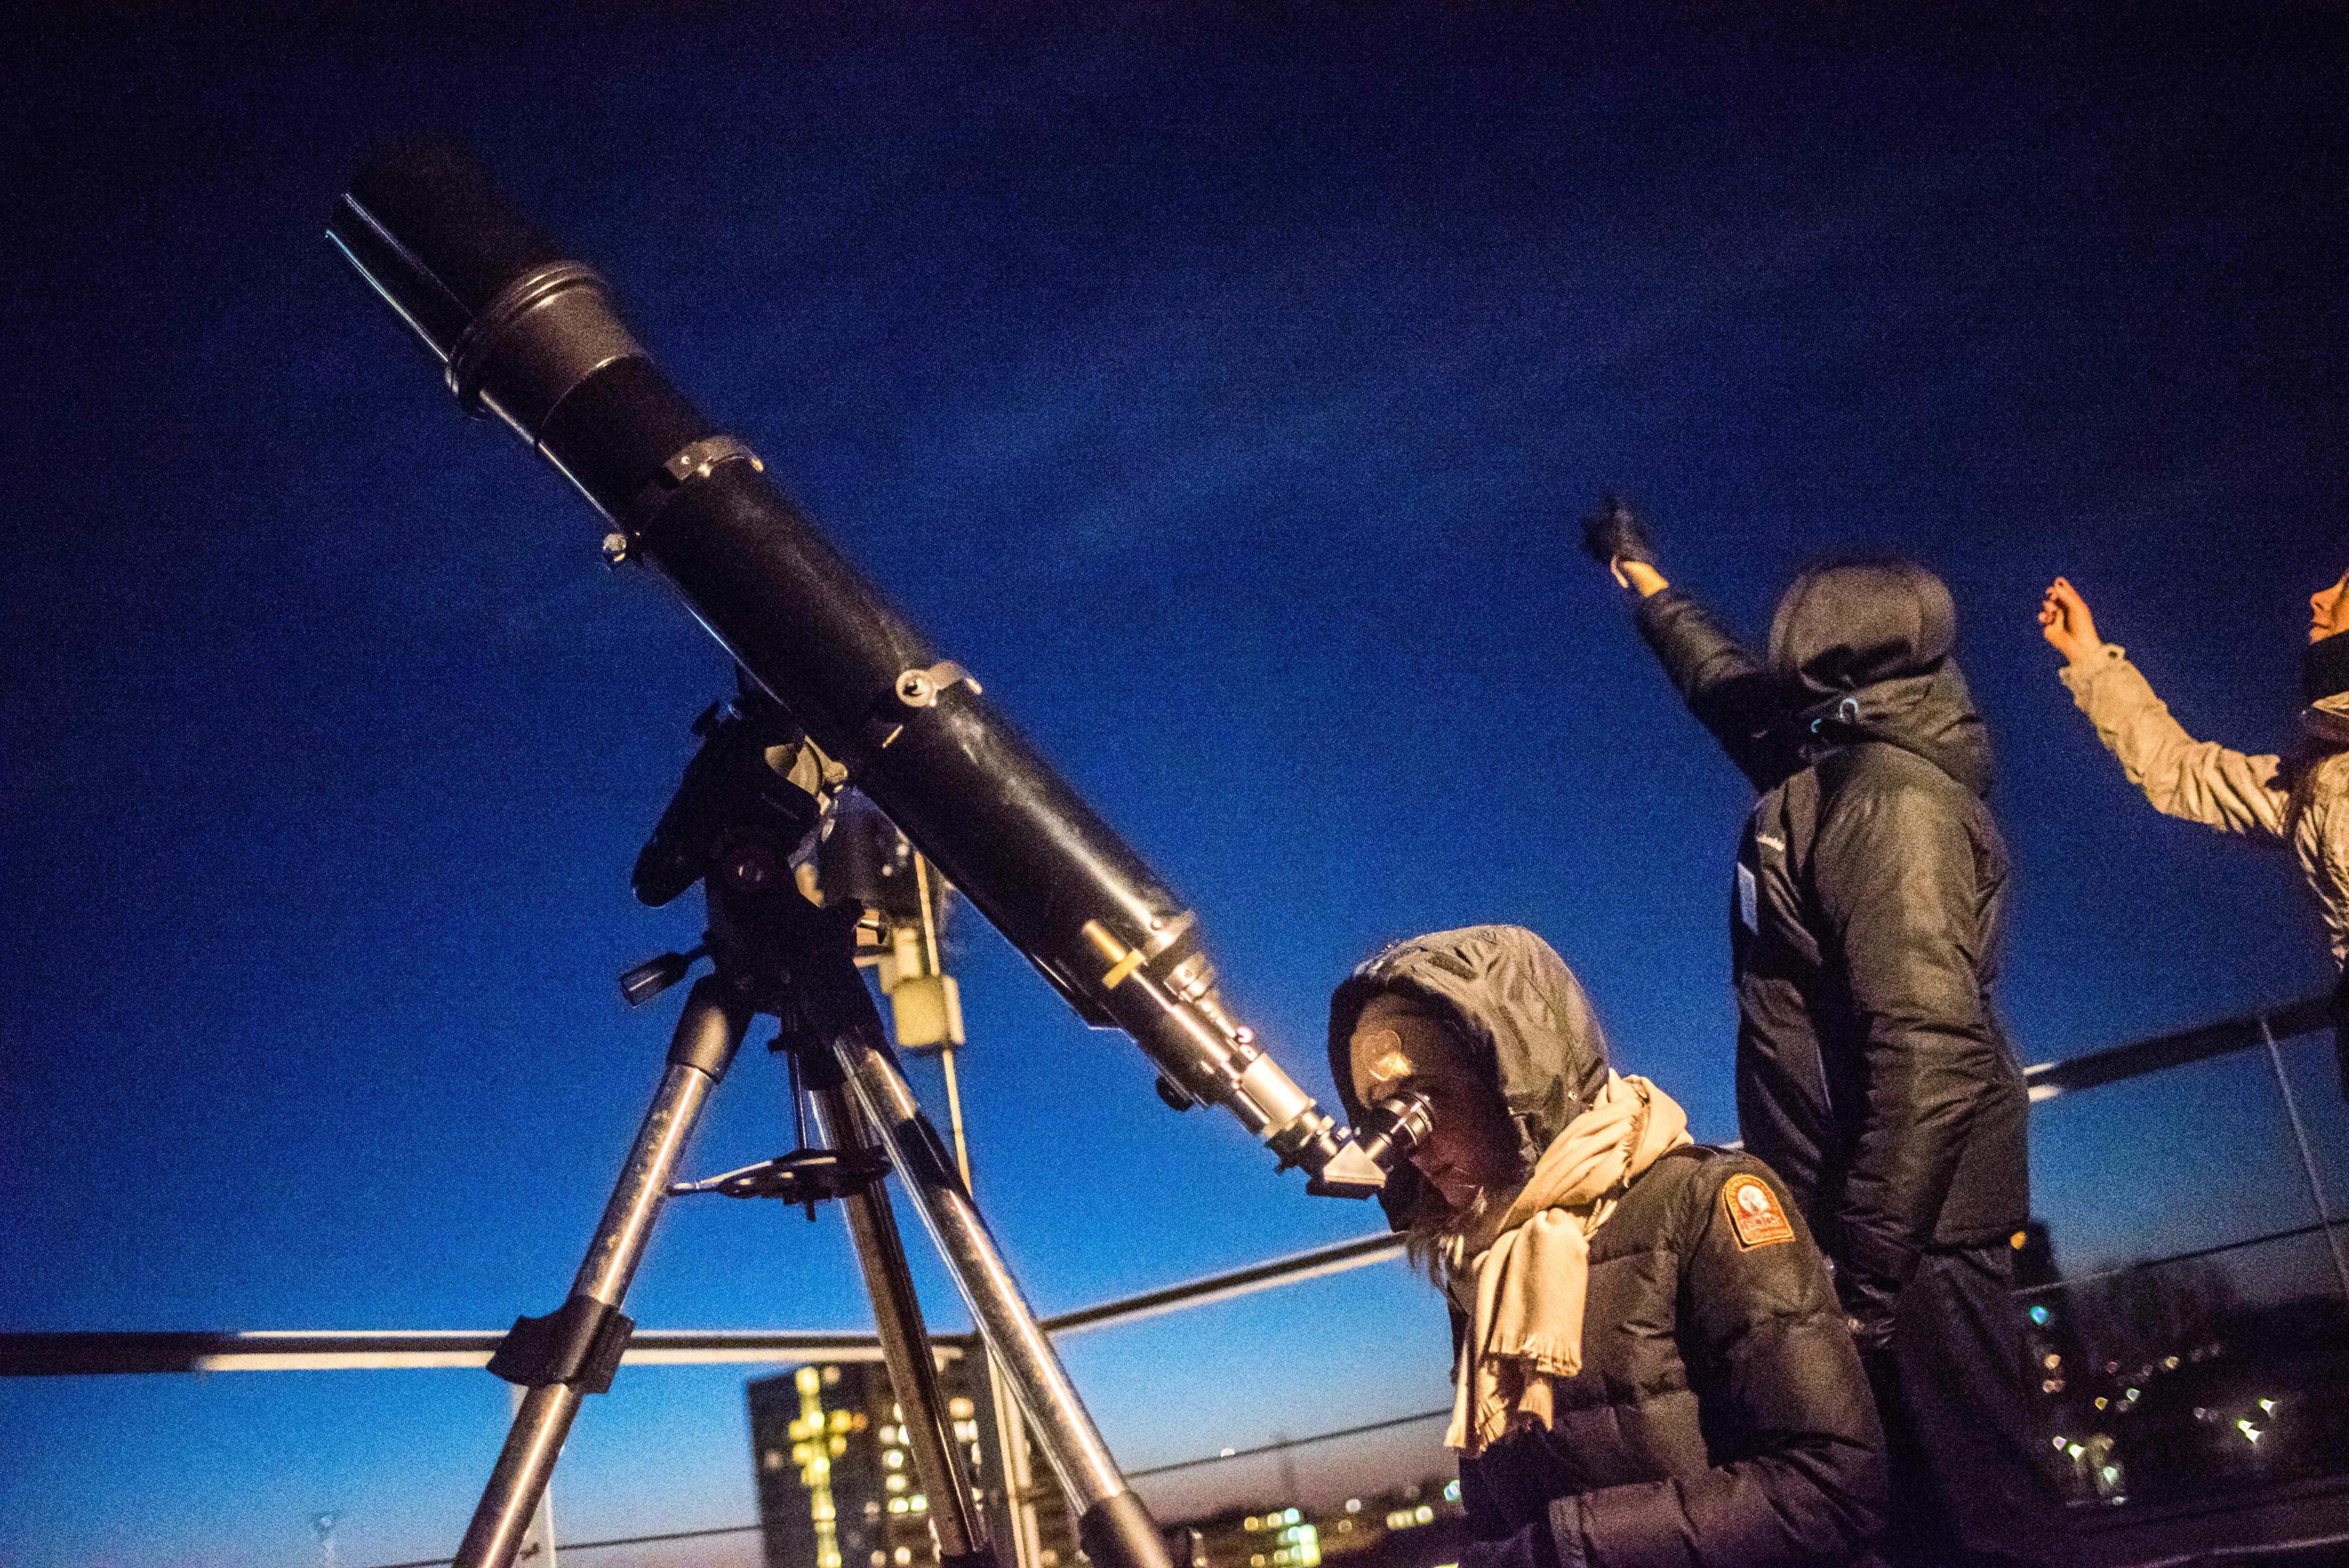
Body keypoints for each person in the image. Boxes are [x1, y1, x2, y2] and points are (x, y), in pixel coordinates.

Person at [1580, 499, 2060, 1567]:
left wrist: (1870, 1278)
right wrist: (1644, 580)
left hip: (1915, 1229)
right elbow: (1727, 690)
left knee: (1986, 1521)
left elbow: (1930, 1048)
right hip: (1870, 1223)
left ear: (1832, 652)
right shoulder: (1829, 764)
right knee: (1911, 1521)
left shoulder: (1890, 804)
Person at [1328, 924, 1885, 1568]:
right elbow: (1501, 1518)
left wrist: (1557, 1552)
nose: (1410, 1145)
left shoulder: (1709, 1200)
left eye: (1426, 1100)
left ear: (1515, 1077)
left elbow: (1835, 1485)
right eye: (1383, 1114)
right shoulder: (1485, 1264)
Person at [2039, 569, 2349, 1094]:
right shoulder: (2319, 782)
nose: (2321, 596)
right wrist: (2090, 659)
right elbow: (2181, 771)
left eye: (2347, 588)